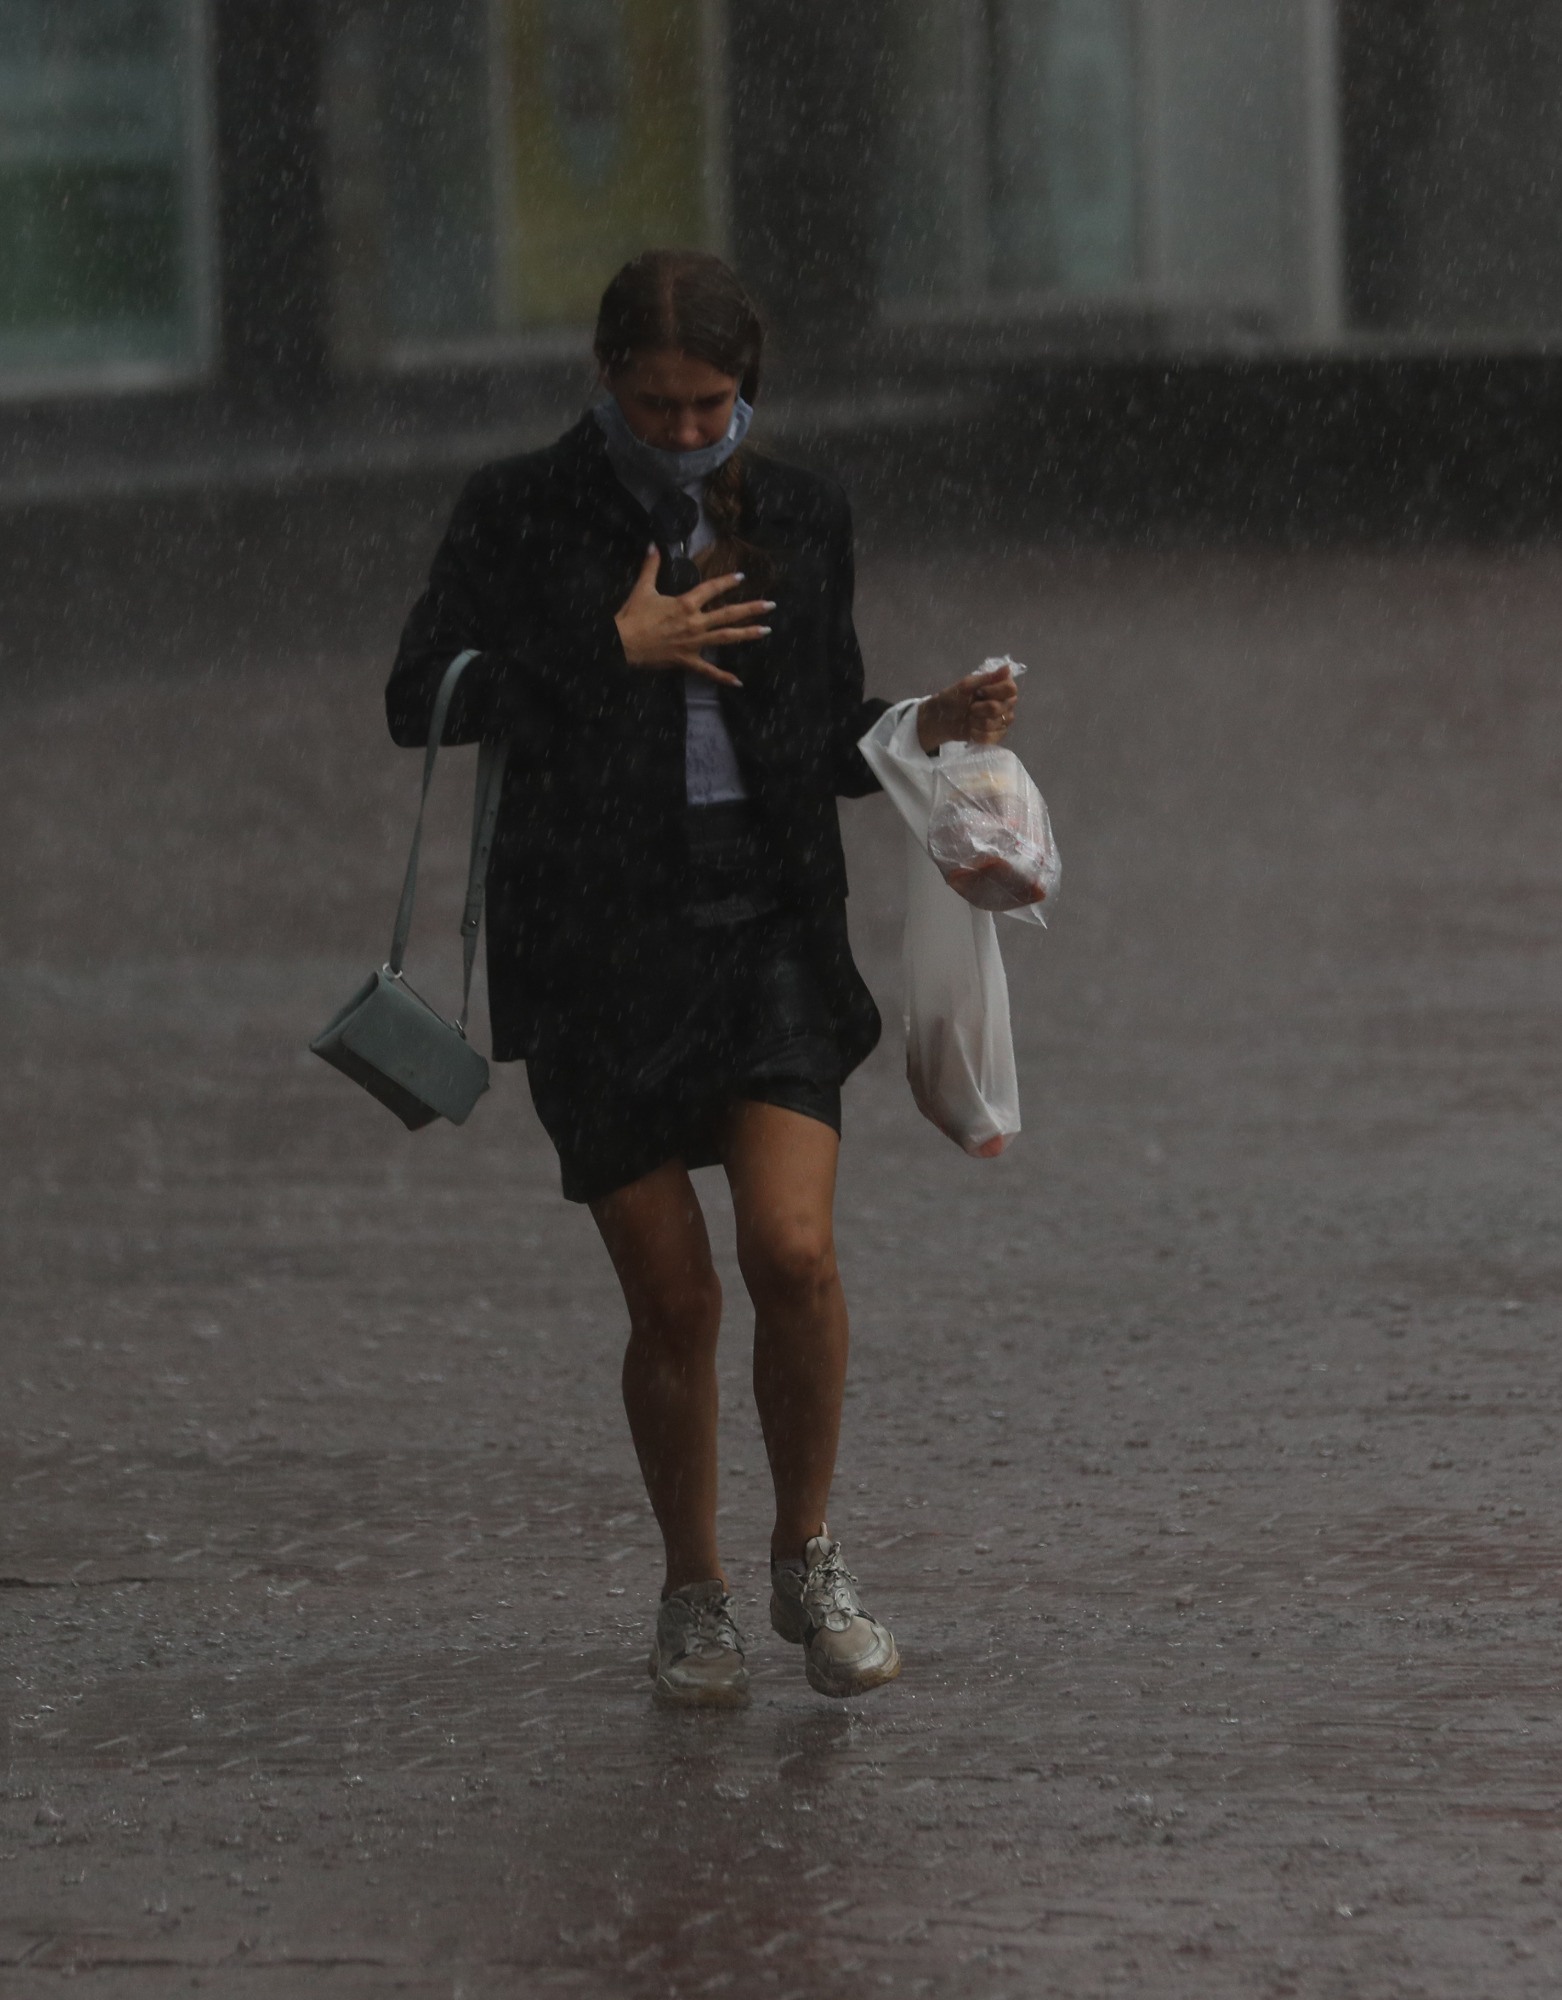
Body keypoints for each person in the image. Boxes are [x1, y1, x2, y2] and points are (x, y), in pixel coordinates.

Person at [385, 250, 1018, 1708]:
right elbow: (419, 696)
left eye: (712, 404)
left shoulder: (800, 511)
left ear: (752, 389)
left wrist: (924, 722)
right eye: (657, 403)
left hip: (767, 932)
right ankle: (694, 1587)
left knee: (792, 1253)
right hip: (593, 945)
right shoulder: (520, 507)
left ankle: (810, 1553)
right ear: (606, 376)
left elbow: (809, 731)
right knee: (670, 1300)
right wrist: (608, 645)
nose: (685, 433)